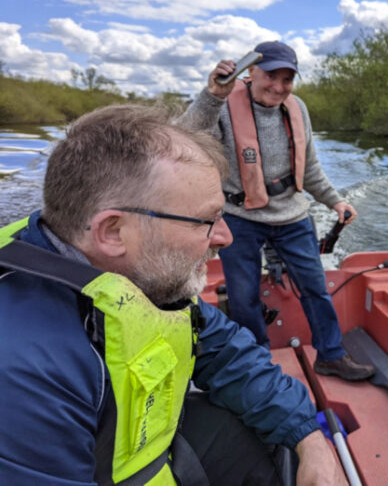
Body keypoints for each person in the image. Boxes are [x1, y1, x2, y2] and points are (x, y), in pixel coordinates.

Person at [0, 104, 347, 485]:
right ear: (113, 231)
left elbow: (227, 351)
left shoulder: (147, 278)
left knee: (279, 448)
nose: (225, 237)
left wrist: (308, 436)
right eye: (206, 221)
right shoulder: (22, 372)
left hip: (148, 457)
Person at [179, 40, 374, 381]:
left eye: (288, 79)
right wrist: (212, 95)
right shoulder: (223, 105)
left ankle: (330, 355)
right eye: (272, 76)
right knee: (244, 298)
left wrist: (335, 200)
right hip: (240, 217)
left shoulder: (297, 108)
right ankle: (257, 365)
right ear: (250, 72)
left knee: (316, 287)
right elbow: (183, 140)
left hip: (292, 216)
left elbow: (309, 167)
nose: (279, 87)